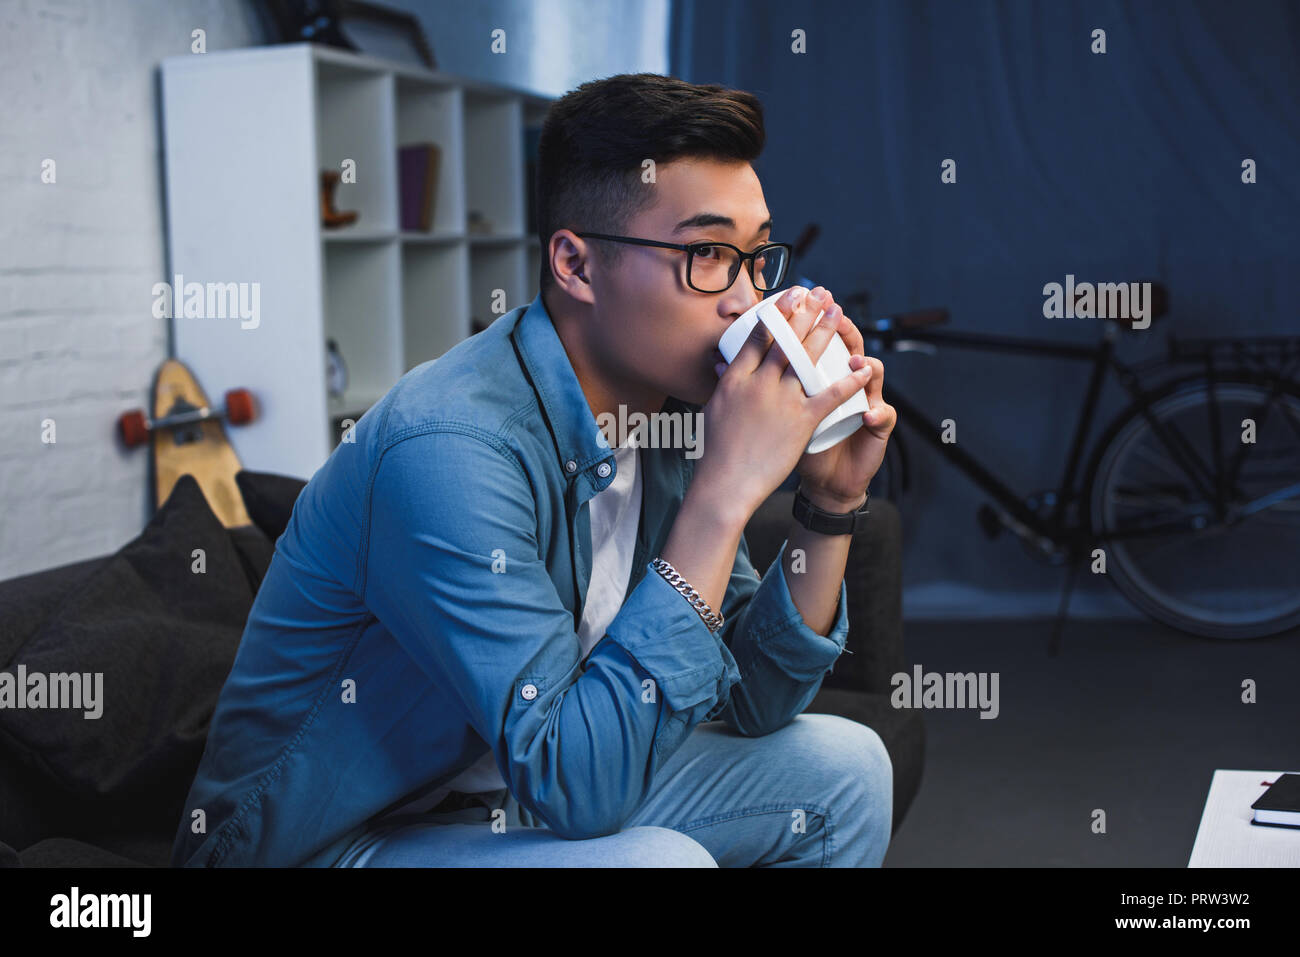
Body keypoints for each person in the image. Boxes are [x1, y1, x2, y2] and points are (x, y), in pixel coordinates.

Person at [171, 72, 898, 868]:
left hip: (513, 799)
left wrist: (829, 503)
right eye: (708, 255)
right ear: (576, 265)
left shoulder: (672, 417)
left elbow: (754, 698)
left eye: (758, 258)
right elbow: (579, 786)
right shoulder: (449, 449)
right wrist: (724, 496)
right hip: (337, 836)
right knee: (654, 863)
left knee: (847, 769)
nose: (747, 300)